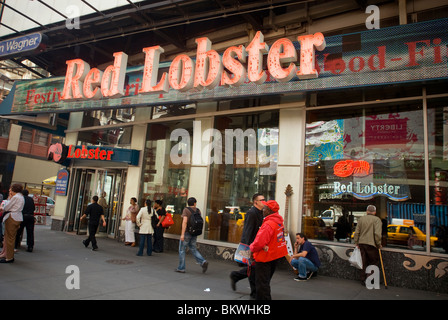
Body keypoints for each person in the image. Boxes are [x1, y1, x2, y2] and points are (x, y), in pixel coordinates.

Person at [249, 200, 288, 300]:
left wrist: (251, 249)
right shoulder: (278, 222)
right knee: (265, 282)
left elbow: (259, 242)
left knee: (262, 286)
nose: (263, 209)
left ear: (269, 211)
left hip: (265, 257)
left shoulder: (268, 224)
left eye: (265, 208)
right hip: (274, 256)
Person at [230, 193, 264, 298]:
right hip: (251, 245)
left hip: (257, 245)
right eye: (262, 200)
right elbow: (247, 231)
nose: (264, 201)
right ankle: (254, 293)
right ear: (255, 202)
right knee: (252, 269)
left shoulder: (261, 212)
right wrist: (248, 248)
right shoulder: (252, 213)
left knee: (254, 269)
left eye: (264, 199)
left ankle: (235, 276)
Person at [175, 197, 208, 273]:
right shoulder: (198, 210)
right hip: (194, 233)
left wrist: (182, 234)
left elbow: (184, 222)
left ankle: (181, 268)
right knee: (193, 248)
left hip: (187, 233)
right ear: (194, 203)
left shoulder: (186, 210)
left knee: (182, 250)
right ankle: (203, 261)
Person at [353, 204, 382, 284]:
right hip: (372, 244)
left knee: (363, 262)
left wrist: (356, 242)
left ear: (367, 211)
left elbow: (357, 232)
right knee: (373, 262)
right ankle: (369, 279)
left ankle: (362, 278)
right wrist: (378, 243)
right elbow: (377, 234)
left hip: (362, 243)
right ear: (375, 212)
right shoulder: (377, 220)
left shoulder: (361, 219)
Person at [0, 184, 25, 263]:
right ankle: (6, 254)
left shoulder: (15, 197)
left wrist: (9, 198)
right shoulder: (21, 197)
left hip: (12, 217)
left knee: (9, 238)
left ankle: (9, 257)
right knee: (10, 237)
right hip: (17, 217)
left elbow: (6, 207)